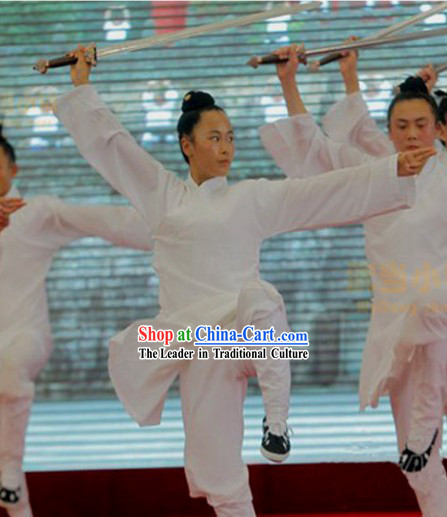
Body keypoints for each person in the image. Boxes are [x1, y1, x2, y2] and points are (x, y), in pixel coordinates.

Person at [53, 45, 431, 517]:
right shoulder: (163, 196)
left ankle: (277, 423)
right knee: (221, 479)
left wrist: (393, 169)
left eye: (230, 137)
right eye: (214, 137)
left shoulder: (250, 197)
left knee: (261, 302)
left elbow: (318, 192)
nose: (227, 146)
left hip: (244, 334)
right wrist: (82, 84)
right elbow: (114, 147)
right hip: (188, 342)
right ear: (187, 145)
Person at [260, 43, 447, 517]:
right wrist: (289, 82)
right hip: (395, 326)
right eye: (400, 127)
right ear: (388, 133)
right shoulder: (375, 173)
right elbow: (319, 152)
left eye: (420, 124)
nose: (410, 135)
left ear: (438, 127)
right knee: (414, 462)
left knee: (431, 325)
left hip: (440, 317)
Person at [0, 126, 153, 517]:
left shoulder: (38, 213)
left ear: (14, 169)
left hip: (23, 333)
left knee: (10, 376)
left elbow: (105, 221)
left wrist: (173, 230)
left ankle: (10, 472)